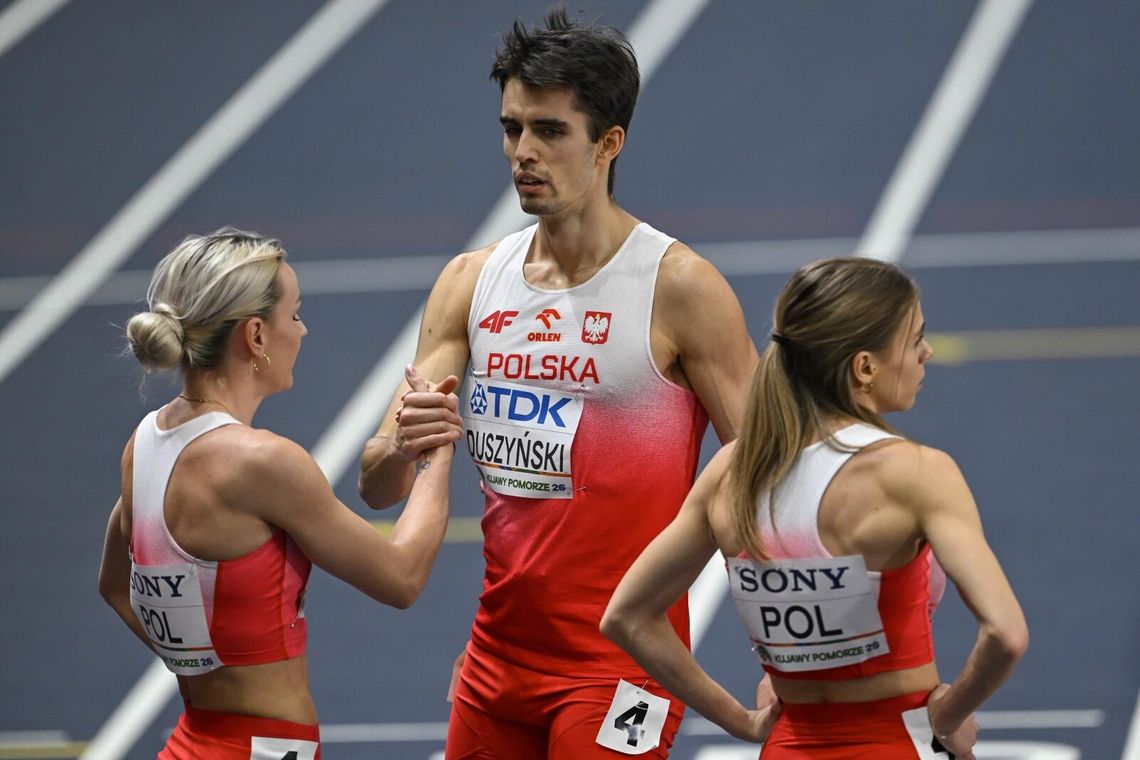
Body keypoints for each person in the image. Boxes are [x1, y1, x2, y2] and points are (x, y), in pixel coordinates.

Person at [358, 7, 757, 758]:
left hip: (623, 663)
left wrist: (798, 666)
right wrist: (401, 447)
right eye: (512, 129)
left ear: (609, 143)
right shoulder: (471, 283)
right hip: (497, 661)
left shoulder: (679, 288)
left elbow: (773, 476)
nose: (523, 153)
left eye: (549, 131)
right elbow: (377, 486)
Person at [602, 257, 1029, 759]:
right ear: (864, 367)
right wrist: (948, 717)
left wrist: (741, 721)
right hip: (898, 742)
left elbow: (627, 617)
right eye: (915, 339)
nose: (926, 352)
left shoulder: (732, 472)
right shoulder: (916, 473)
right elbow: (1006, 634)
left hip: (788, 746)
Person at [98, 228, 456, 759]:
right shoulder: (261, 461)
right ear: (256, 336)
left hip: (191, 743)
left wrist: (204, 665)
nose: (303, 330)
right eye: (295, 314)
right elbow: (401, 577)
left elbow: (115, 585)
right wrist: (437, 450)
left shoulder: (144, 442)